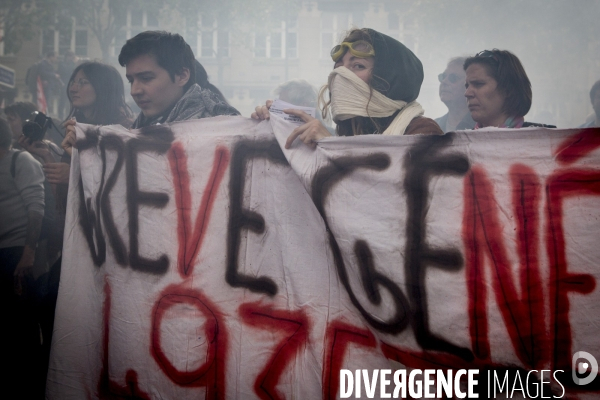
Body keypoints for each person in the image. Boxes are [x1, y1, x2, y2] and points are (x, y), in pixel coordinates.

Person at [252, 28, 442, 148]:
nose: (341, 75)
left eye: (358, 66)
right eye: (339, 67)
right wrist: (278, 125)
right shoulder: (350, 128)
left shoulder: (421, 131)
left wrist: (334, 149)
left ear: (389, 78)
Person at [0, 117, 47, 398]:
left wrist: (28, 253)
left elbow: (36, 208)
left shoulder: (20, 160)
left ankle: (31, 386)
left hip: (17, 253)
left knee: (22, 327)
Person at [117, 31, 239, 129]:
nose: (134, 91)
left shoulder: (221, 129)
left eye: (146, 78)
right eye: (131, 80)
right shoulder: (140, 129)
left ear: (182, 76)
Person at [463, 49, 555, 129]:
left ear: (508, 89)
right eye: (467, 86)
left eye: (478, 84)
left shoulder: (551, 140)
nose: (467, 93)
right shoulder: (457, 143)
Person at [435, 57, 475, 132]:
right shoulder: (433, 126)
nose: (444, 81)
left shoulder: (483, 126)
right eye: (443, 77)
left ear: (470, 85)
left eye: (453, 78)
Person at [58, 51, 79, 119]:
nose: (71, 59)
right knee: (62, 101)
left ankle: (68, 116)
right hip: (64, 85)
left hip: (70, 84)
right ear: (67, 57)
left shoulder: (72, 64)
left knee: (70, 102)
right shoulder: (62, 64)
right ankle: (60, 116)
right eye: (71, 57)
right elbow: (67, 70)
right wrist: (74, 62)